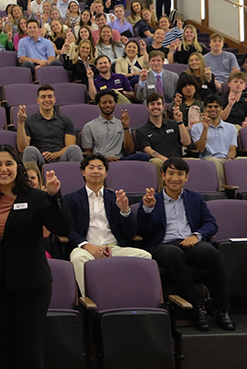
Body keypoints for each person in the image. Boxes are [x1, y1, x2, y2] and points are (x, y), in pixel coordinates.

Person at [0, 144, 69, 369]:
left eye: (9, 163)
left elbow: (62, 228)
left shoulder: (36, 197)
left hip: (31, 285)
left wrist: (55, 196)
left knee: (29, 348)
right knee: (1, 346)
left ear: (18, 167)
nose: (3, 169)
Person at [137, 158, 235, 331]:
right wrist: (148, 209)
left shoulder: (195, 198)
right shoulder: (152, 199)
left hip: (190, 242)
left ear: (186, 177)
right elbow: (142, 232)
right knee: (174, 255)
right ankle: (198, 308)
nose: (175, 178)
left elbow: (211, 223)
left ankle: (222, 309)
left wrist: (196, 236)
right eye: (171, 173)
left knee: (212, 253)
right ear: (163, 175)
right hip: (163, 244)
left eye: (180, 174)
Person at [65, 153, 152, 295]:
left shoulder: (114, 198)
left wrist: (125, 210)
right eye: (91, 167)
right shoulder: (71, 199)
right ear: (83, 172)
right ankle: (89, 300)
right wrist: (86, 245)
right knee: (77, 258)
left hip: (113, 248)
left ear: (106, 173)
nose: (95, 171)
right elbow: (69, 230)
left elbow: (130, 233)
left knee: (145, 257)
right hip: (87, 249)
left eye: (100, 168)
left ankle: (133, 297)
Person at [17, 85, 83, 167]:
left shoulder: (65, 120)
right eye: (43, 97)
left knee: (74, 149)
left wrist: (55, 154)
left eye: (50, 96)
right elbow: (22, 148)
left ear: (54, 99)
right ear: (38, 101)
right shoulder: (29, 121)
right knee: (29, 150)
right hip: (39, 158)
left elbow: (70, 145)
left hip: (61, 158)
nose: (47, 100)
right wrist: (20, 122)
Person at [190, 95, 238, 187]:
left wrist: (229, 160)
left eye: (216, 106)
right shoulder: (196, 128)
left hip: (227, 158)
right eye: (210, 106)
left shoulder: (231, 127)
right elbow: (200, 149)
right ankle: (223, 190)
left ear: (221, 109)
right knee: (215, 162)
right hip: (208, 158)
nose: (213, 109)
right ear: (205, 109)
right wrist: (205, 128)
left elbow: (233, 149)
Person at [136, 93, 191, 172]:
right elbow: (149, 150)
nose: (155, 107)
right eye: (152, 104)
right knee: (156, 162)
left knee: (197, 162)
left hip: (177, 160)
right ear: (147, 107)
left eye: (158, 104)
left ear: (163, 106)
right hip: (159, 162)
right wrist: (168, 162)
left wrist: (179, 121)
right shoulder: (141, 131)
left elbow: (187, 142)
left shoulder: (173, 124)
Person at [81, 90, 135, 160]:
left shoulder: (122, 124)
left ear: (115, 104)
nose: (108, 105)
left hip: (120, 160)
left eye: (110, 102)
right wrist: (105, 159)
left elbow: (129, 151)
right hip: (100, 161)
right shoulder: (89, 126)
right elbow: (88, 152)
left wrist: (126, 127)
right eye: (104, 103)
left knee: (142, 156)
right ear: (98, 104)